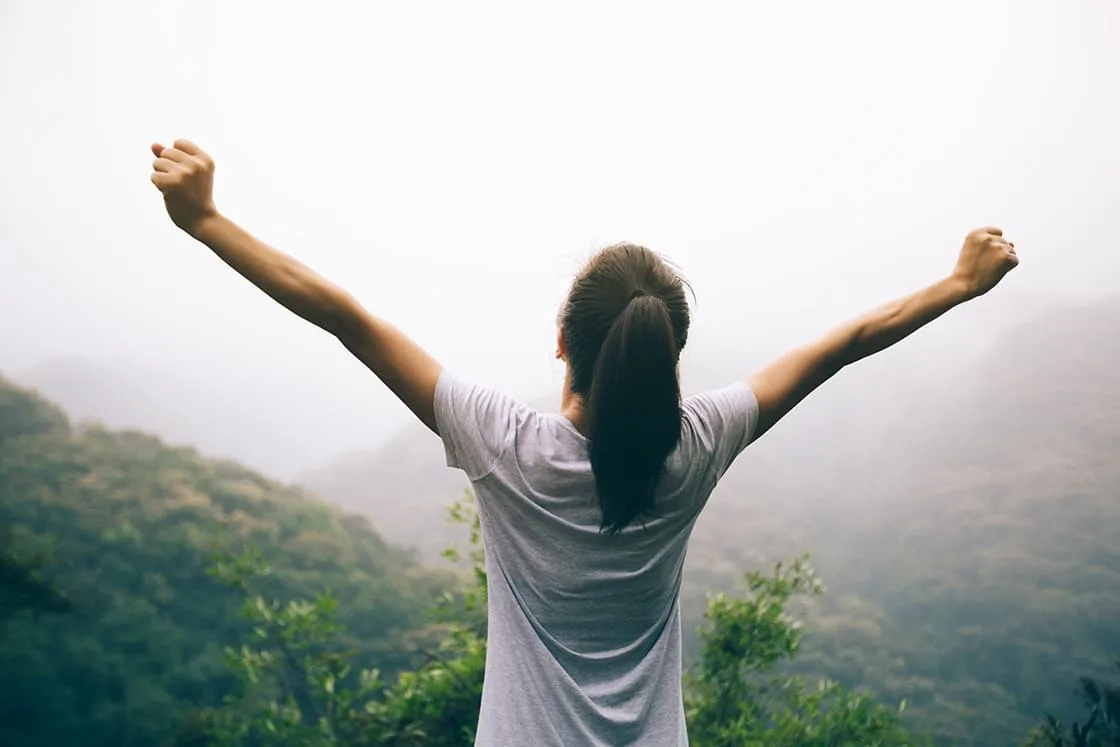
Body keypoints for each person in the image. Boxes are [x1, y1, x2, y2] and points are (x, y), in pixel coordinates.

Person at [148, 139, 1019, 746]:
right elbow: (846, 343)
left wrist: (205, 221)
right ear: (668, 356)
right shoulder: (698, 445)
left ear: (561, 340)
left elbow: (345, 318)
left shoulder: (502, 444)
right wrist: (957, 283)